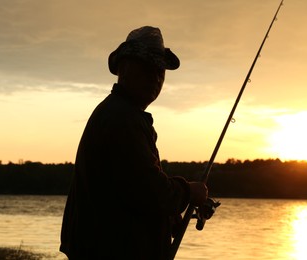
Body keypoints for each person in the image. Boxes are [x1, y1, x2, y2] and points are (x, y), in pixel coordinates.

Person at [60, 26, 208, 260]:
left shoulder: (122, 114)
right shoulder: (123, 119)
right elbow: (150, 190)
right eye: (147, 67)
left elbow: (129, 190)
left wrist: (167, 217)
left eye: (160, 71)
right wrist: (189, 191)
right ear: (124, 67)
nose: (155, 77)